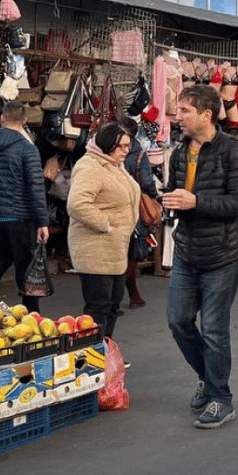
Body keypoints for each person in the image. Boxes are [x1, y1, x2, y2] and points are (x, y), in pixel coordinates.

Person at [162, 84, 238, 430]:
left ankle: (221, 398)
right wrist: (170, 202)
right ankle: (208, 375)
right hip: (188, 248)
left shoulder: (234, 152)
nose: (177, 117)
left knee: (214, 329)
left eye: (184, 111)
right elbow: (177, 192)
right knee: (178, 320)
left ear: (207, 115)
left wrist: (196, 202)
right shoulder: (179, 153)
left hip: (223, 252)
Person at [67, 122, 140, 340]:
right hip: (95, 247)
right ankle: (93, 356)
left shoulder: (114, 164)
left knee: (112, 304)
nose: (126, 151)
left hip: (114, 248)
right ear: (108, 145)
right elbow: (77, 204)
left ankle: (106, 352)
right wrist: (106, 225)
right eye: (122, 146)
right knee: (99, 307)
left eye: (128, 146)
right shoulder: (90, 166)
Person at [0, 101, 51, 312]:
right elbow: (36, 187)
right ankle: (30, 317)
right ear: (25, 120)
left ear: (2, 118)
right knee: (26, 272)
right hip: (20, 218)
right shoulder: (27, 149)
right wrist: (42, 222)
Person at [117, 117, 160, 309]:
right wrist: (154, 197)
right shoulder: (139, 155)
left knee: (117, 254)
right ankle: (132, 295)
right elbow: (147, 181)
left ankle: (117, 301)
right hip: (133, 208)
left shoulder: (111, 151)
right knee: (131, 256)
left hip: (114, 207)